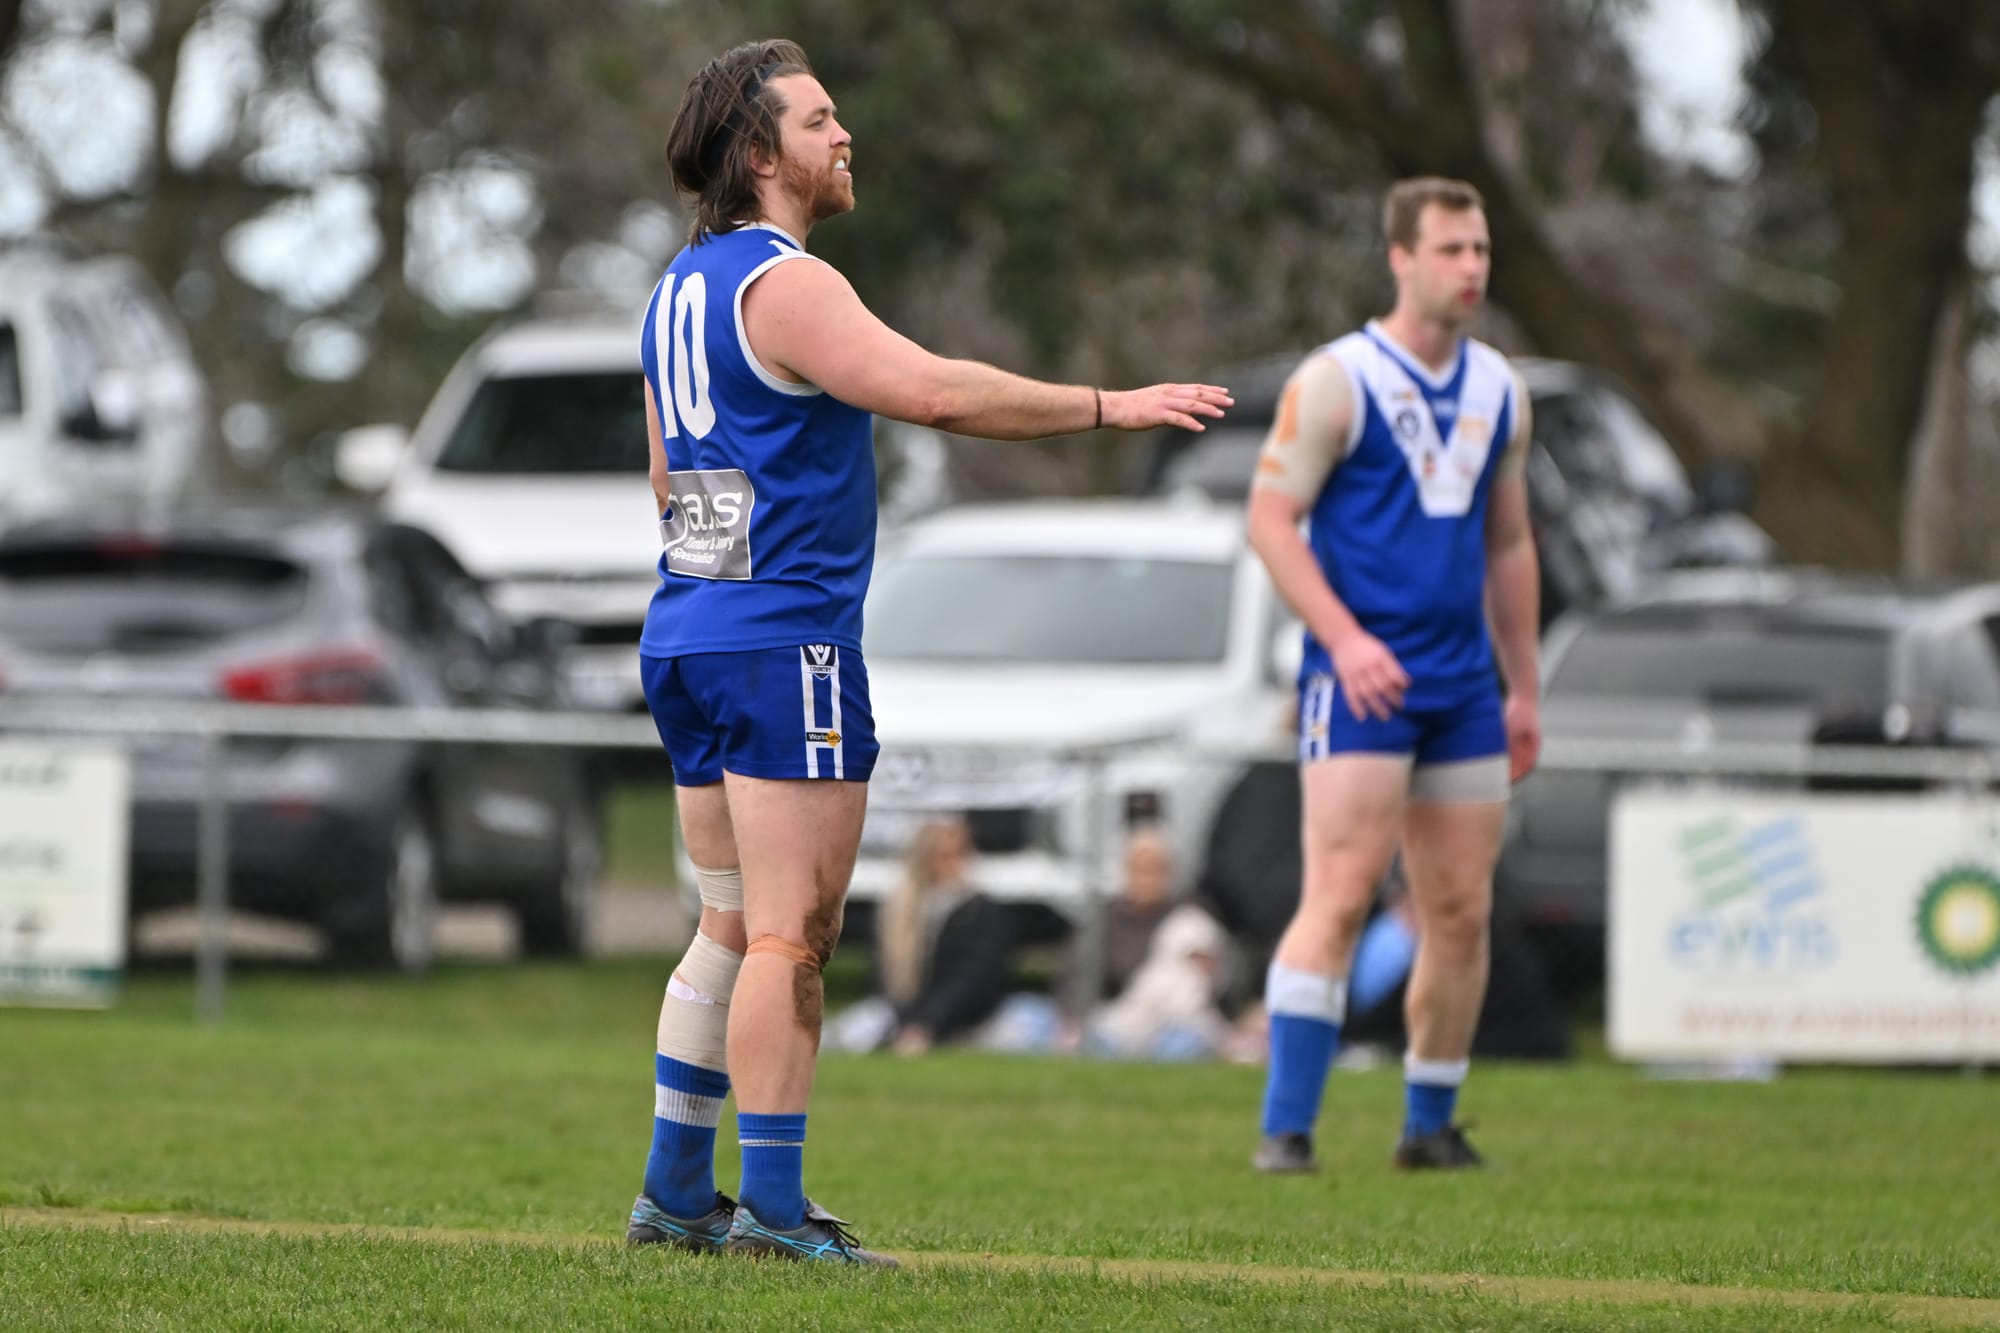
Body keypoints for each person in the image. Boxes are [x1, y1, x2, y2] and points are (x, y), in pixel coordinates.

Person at [622, 38, 1232, 1267]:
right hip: (780, 645)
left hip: (690, 632)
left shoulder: (675, 291)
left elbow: (667, 486)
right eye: (818, 121)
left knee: (729, 923)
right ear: (760, 155)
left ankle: (675, 1193)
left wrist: (736, 586)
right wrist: (1107, 406)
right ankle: (773, 1213)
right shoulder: (785, 282)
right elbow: (936, 394)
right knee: (789, 935)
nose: (842, 136)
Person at [1244, 176, 1541, 1175]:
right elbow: (1269, 520)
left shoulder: (1501, 388)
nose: (1471, 268)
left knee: (1459, 910)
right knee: (1338, 894)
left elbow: (1509, 543)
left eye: (1480, 249)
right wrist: (1346, 639)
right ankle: (1286, 1129)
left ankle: (1430, 1124)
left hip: (1463, 688)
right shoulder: (1339, 379)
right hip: (1359, 681)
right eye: (1451, 249)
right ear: (1401, 258)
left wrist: (1523, 686)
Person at [824, 816, 1014, 1055]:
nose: (957, 863)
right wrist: (906, 1020)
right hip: (901, 1013)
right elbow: (885, 977)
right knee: (853, 1029)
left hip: (969, 1017)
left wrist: (927, 1023)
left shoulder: (979, 911)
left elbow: (970, 979)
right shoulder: (898, 908)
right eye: (945, 856)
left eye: (962, 853)